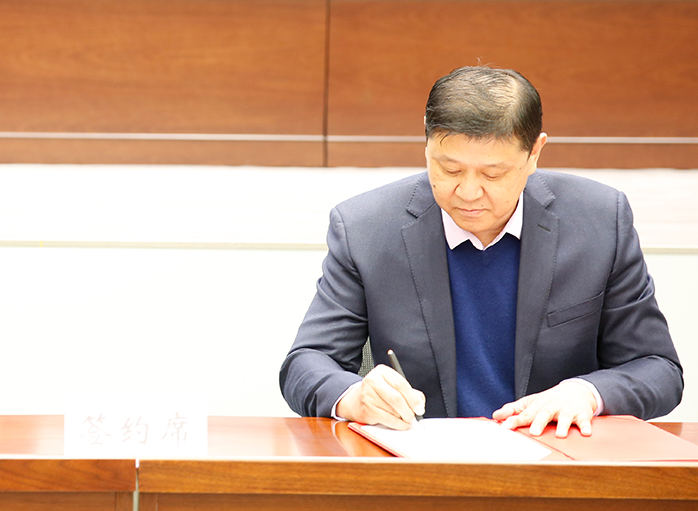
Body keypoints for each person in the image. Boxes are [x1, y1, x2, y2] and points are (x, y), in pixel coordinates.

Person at [280, 67, 681, 438]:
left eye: (493, 173)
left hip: (558, 460)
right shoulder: (366, 228)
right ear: (426, 147)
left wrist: (588, 393)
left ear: (534, 154)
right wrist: (354, 397)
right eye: (449, 169)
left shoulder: (599, 221)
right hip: (424, 465)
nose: (469, 192)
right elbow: (307, 361)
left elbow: (658, 368)